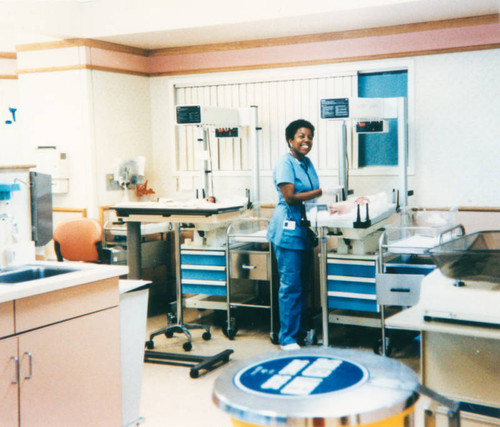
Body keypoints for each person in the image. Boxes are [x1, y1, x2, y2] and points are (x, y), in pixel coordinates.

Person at [266, 119, 337, 351]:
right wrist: (323, 191)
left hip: (303, 229)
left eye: (309, 136)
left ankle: (300, 331)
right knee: (290, 285)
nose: (306, 140)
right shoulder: (285, 163)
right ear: (290, 140)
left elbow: (311, 197)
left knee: (304, 285)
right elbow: (290, 197)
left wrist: (329, 206)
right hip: (287, 231)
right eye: (301, 136)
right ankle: (287, 338)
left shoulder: (306, 163)